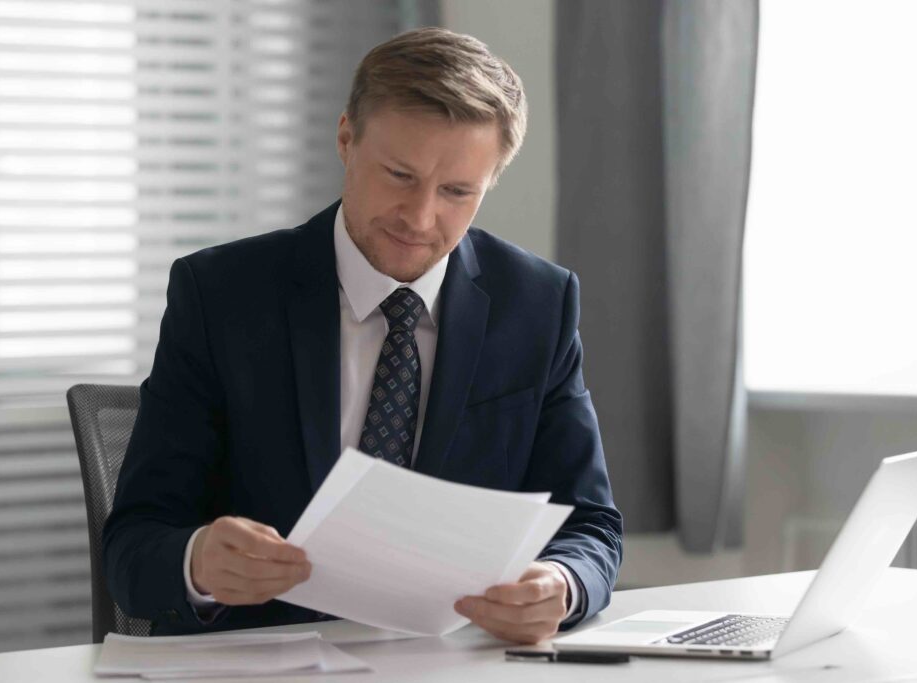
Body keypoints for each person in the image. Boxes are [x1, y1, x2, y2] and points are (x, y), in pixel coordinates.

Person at [103, 27, 622, 645]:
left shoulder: (536, 304)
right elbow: (133, 547)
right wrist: (197, 563)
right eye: (400, 175)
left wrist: (562, 585)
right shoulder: (221, 295)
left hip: (450, 663)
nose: (421, 217)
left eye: (458, 191)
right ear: (346, 138)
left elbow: (591, 525)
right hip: (263, 663)